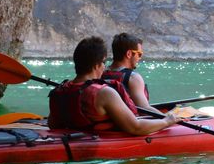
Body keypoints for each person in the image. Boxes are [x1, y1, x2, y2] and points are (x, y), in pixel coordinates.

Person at [49, 36, 181, 135]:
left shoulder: (58, 91)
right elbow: (135, 127)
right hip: (101, 145)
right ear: (96, 65)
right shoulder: (104, 93)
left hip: (73, 141)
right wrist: (167, 121)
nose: (104, 67)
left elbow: (52, 125)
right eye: (103, 62)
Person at [102, 32, 153, 112]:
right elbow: (145, 109)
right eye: (139, 54)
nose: (139, 58)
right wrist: (169, 117)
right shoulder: (133, 78)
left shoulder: (100, 73)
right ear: (129, 54)